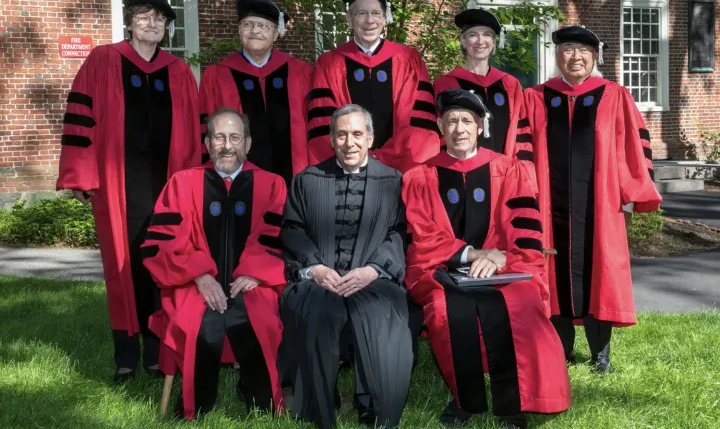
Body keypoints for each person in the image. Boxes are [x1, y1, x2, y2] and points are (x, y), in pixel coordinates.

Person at [403, 89, 570, 428]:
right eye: (451, 121)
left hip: (505, 267)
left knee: (520, 303)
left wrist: (500, 259)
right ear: (439, 126)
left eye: (467, 121)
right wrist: (473, 253)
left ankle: (515, 402)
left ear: (480, 126)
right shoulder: (420, 177)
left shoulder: (510, 170)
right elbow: (420, 237)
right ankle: (466, 397)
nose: (459, 128)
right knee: (446, 309)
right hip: (443, 271)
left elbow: (524, 233)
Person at [56, 0, 199, 383]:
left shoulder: (179, 71)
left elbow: (193, 132)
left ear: (167, 28)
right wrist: (81, 176)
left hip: (168, 187)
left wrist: (191, 186)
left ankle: (156, 353)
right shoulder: (103, 60)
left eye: (159, 19)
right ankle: (125, 355)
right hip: (116, 188)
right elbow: (80, 117)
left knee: (163, 262)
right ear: (130, 22)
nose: (152, 24)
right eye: (144, 17)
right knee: (122, 267)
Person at [520, 26, 662, 372]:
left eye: (583, 50)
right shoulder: (536, 97)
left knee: (601, 272)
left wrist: (632, 194)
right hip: (548, 208)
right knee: (552, 272)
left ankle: (601, 354)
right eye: (567, 49)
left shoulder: (614, 95)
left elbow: (633, 146)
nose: (575, 57)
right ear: (556, 56)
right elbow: (520, 152)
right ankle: (560, 350)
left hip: (600, 207)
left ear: (595, 56)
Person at [140, 109, 287, 419]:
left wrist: (254, 272)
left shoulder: (272, 185)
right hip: (191, 282)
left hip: (250, 280)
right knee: (199, 324)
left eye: (235, 137)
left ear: (248, 143)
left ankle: (261, 404)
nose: (227, 145)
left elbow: (276, 236)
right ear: (207, 143)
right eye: (219, 137)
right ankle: (197, 406)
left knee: (257, 318)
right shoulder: (182, 183)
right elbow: (162, 243)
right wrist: (199, 275)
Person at [280, 105, 412, 428]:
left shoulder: (392, 182)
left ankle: (372, 403)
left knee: (379, 312)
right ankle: (318, 402)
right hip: (320, 280)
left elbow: (399, 233)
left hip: (371, 277)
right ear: (331, 139)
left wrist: (373, 270)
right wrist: (316, 269)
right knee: (317, 311)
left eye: (356, 134)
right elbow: (292, 230)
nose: (349, 142)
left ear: (370, 138)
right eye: (341, 134)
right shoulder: (307, 180)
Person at [307, 0, 439, 173]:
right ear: (348, 19)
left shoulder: (408, 59)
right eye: (361, 13)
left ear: (385, 19)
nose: (370, 21)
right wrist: (353, 156)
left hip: (399, 168)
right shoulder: (329, 63)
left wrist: (384, 157)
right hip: (346, 166)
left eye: (376, 13)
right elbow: (322, 122)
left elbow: (420, 121)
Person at [199, 0, 312, 184]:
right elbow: (206, 131)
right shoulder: (216, 76)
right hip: (234, 184)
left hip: (296, 180)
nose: (255, 31)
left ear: (276, 33)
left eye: (264, 26)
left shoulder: (301, 73)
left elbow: (315, 127)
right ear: (239, 31)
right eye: (248, 24)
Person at [434, 9, 524, 156]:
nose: (480, 41)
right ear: (463, 41)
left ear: (494, 41)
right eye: (473, 35)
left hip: (504, 171)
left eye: (487, 35)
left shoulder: (510, 84)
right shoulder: (446, 84)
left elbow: (521, 132)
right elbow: (440, 135)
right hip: (461, 171)